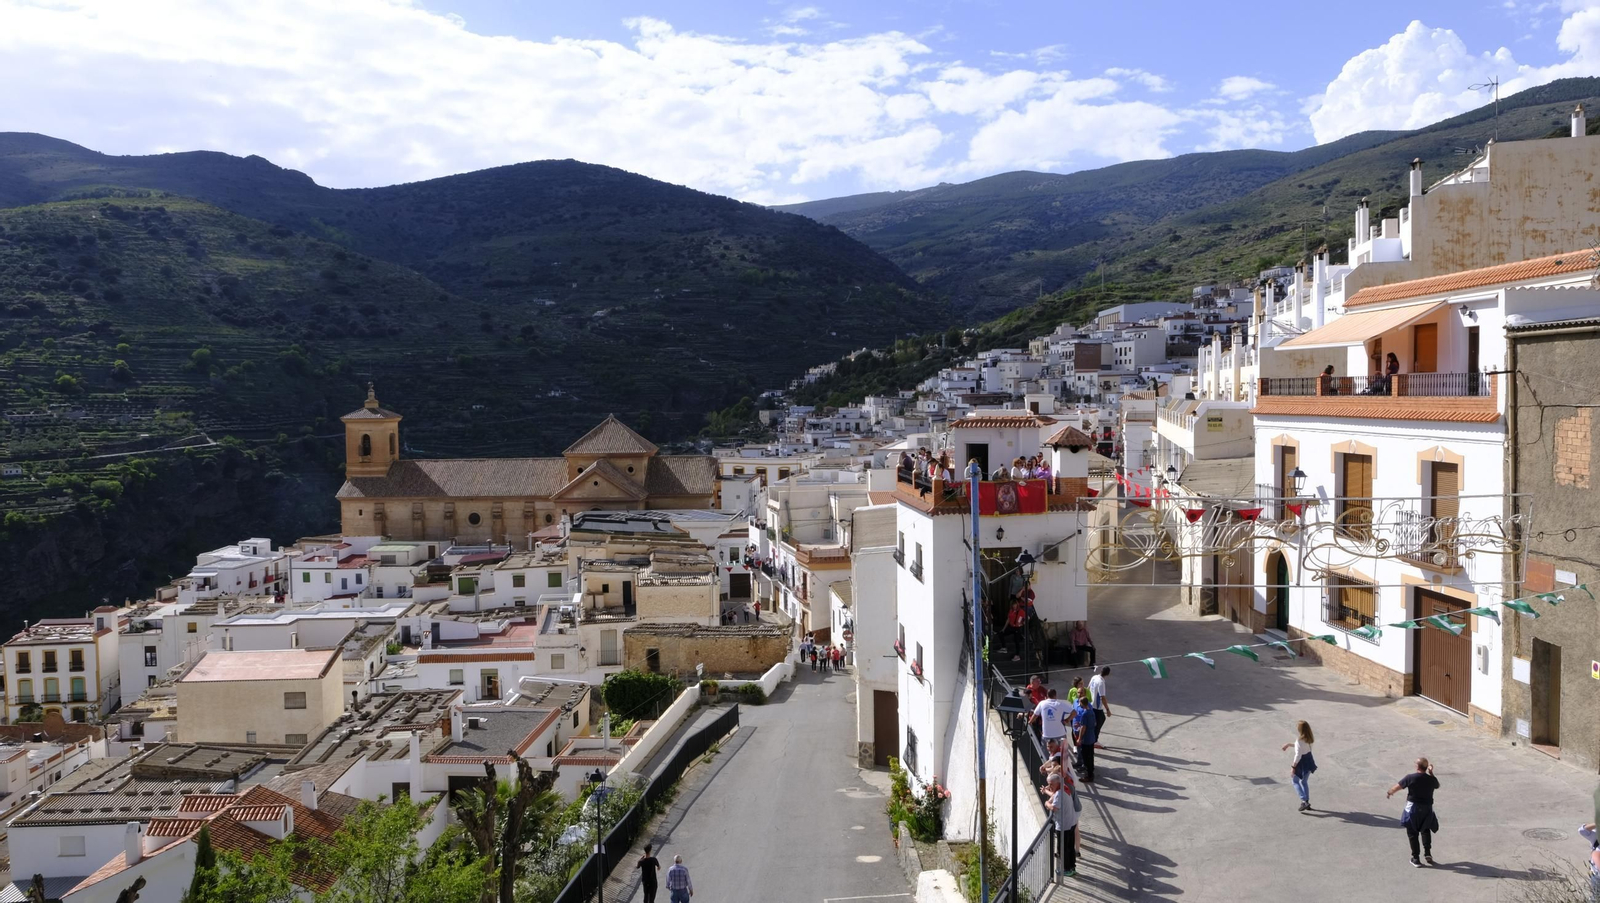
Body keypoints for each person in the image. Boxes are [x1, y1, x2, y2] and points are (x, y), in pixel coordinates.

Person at [1387, 757, 1440, 867]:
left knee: (1412, 832)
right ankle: (1428, 853)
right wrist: (1431, 773)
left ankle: (1416, 858)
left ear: (1417, 766)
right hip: (1427, 808)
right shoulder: (1431, 779)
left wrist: (1390, 792)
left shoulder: (1410, 778)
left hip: (1413, 808)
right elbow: (1437, 785)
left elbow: (1397, 787)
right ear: (1426, 767)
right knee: (1425, 829)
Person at [1043, 772, 1080, 878]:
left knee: (1063, 848)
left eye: (1051, 784)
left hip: (1064, 825)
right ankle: (1072, 867)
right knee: (1069, 846)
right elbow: (1054, 796)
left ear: (1057, 783)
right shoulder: (1064, 786)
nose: (1050, 787)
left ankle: (1066, 869)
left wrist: (1047, 803)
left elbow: (1054, 808)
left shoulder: (1059, 793)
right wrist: (1048, 793)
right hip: (1071, 822)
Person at [1281, 721, 1317, 811]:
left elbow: (1298, 755)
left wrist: (1293, 768)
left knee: (1295, 781)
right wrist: (1289, 744)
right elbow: (1301, 748)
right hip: (1309, 760)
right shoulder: (1309, 738)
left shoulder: (1299, 740)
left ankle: (1304, 801)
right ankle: (1307, 802)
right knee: (1304, 782)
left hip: (1302, 762)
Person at [1071, 691, 1097, 783]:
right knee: (1091, 755)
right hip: (1092, 738)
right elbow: (1094, 723)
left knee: (1086, 757)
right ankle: (1091, 771)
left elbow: (1083, 728)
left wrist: (1079, 738)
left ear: (1082, 704)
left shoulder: (1084, 714)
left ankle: (1088, 775)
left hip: (1086, 739)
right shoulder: (1092, 712)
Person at [1088, 666, 1111, 749]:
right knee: (1100, 721)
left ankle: (1093, 738)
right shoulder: (1101, 682)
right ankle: (1094, 740)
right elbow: (1102, 697)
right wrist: (1107, 709)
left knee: (1098, 721)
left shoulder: (1094, 677)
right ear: (1108, 674)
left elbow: (1088, 688)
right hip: (1097, 707)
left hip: (1091, 704)